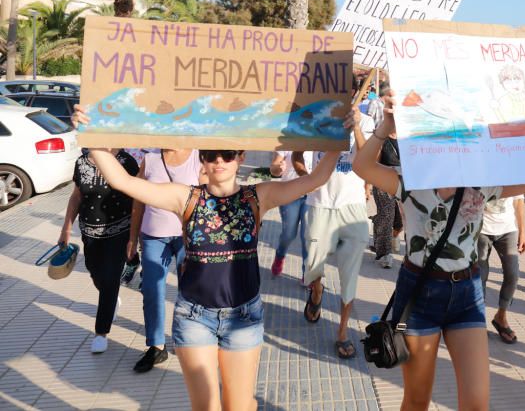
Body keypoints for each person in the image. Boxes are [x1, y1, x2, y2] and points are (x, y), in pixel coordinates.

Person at [77, 103, 343, 411]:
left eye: (227, 154)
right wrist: (91, 137)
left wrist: (337, 138)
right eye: (211, 154)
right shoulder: (186, 197)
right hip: (194, 319)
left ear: (240, 157)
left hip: (244, 316)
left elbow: (314, 180)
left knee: (240, 406)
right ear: (201, 158)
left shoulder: (258, 196)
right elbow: (124, 182)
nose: (219, 161)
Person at [351, 92, 525, 411]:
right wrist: (385, 125)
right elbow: (361, 166)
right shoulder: (411, 181)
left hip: (467, 294)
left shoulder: (480, 183)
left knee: (476, 404)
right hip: (419, 293)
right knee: (417, 400)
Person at [302, 105, 376, 359]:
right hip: (319, 205)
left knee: (350, 274)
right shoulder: (315, 117)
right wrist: (306, 180)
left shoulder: (365, 120)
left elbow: (369, 158)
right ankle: (317, 290)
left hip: (352, 208)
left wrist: (355, 126)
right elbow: (296, 154)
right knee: (313, 267)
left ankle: (342, 332)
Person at [128, 148, 206, 373]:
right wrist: (133, 238)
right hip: (153, 235)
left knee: (189, 291)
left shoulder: (197, 157)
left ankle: (187, 341)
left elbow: (205, 200)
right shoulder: (150, 159)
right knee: (152, 290)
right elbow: (138, 201)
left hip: (188, 238)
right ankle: (156, 344)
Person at [59, 149, 140, 354]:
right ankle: (111, 299)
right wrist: (66, 228)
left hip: (119, 231)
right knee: (96, 273)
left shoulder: (125, 161)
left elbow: (137, 200)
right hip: (89, 233)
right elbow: (76, 196)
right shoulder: (82, 162)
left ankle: (101, 332)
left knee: (110, 278)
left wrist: (133, 237)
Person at [477, 194, 525, 343]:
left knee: (512, 274)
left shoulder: (511, 171)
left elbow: (518, 201)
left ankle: (501, 316)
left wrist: (522, 232)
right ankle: (479, 321)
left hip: (508, 229)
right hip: (481, 229)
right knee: (480, 276)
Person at [268, 150, 312, 281]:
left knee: (308, 236)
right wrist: (278, 169)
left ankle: (307, 272)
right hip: (289, 193)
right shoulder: (289, 141)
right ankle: (280, 255)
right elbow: (274, 168)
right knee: (289, 234)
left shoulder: (320, 141)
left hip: (312, 195)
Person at [371, 132, 404, 268]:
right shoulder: (382, 139)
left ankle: (381, 227)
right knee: (386, 216)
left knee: (400, 221)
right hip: (384, 180)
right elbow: (374, 163)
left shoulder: (406, 138)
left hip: (404, 182)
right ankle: (385, 254)